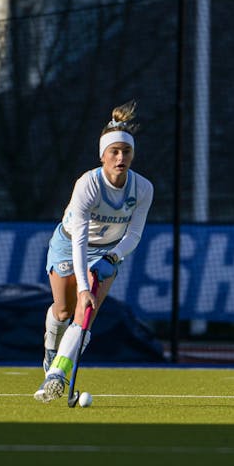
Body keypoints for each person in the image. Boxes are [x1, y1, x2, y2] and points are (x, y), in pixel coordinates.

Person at [34, 100, 154, 403]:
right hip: (69, 244)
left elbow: (135, 233)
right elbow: (79, 241)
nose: (120, 157)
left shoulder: (142, 189)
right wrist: (85, 285)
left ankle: (56, 375)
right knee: (63, 311)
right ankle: (51, 349)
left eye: (126, 152)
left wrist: (112, 258)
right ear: (102, 155)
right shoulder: (88, 184)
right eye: (114, 152)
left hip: (107, 253)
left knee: (85, 315)